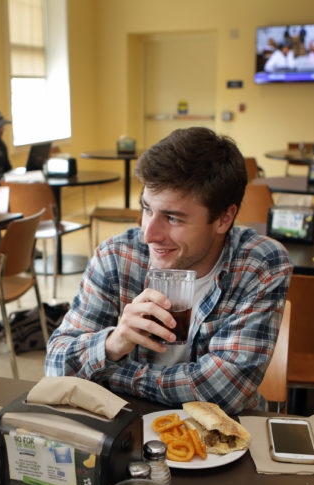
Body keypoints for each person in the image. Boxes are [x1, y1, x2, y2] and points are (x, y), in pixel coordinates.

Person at [45, 127, 292, 414]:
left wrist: (111, 373)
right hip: (125, 429)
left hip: (222, 438)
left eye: (173, 218)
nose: (149, 234)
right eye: (147, 209)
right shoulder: (116, 256)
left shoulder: (259, 264)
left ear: (224, 218)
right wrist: (113, 344)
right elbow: (56, 366)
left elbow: (223, 393)